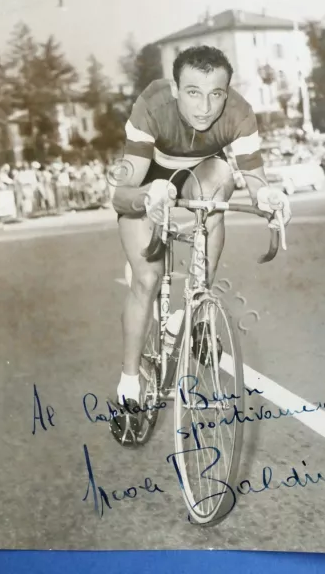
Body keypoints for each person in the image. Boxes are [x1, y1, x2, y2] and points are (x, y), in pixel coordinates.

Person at [109, 45, 291, 445]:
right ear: (175, 88)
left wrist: (268, 198)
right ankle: (128, 385)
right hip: (147, 181)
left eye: (216, 93)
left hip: (201, 174)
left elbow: (255, 181)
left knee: (220, 181)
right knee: (147, 279)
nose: (206, 107)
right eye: (193, 92)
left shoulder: (240, 114)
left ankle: (195, 303)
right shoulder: (152, 105)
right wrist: (146, 197)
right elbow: (119, 194)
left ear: (228, 91)